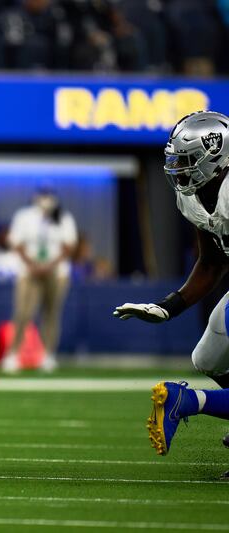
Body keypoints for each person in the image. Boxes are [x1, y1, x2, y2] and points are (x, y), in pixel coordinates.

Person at [114, 111, 229, 473]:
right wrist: (168, 307)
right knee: (209, 358)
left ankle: (188, 400)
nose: (179, 169)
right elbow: (211, 261)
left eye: (187, 160)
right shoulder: (194, 198)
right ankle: (187, 399)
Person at [0, 187, 77, 374]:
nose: (46, 200)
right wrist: (33, 265)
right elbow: (16, 242)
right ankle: (12, 354)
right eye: (43, 196)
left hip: (57, 272)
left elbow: (69, 246)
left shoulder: (63, 217)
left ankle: (48, 354)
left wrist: (49, 266)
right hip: (29, 272)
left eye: (49, 196)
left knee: (51, 313)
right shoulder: (24, 216)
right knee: (23, 312)